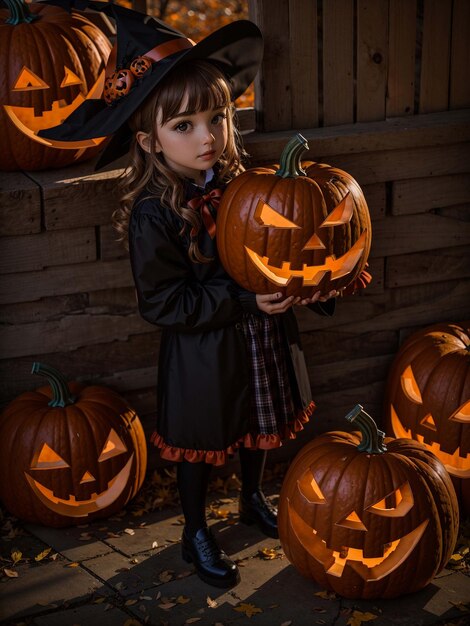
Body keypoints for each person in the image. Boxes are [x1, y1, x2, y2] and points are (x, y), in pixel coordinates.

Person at [39, 2, 337, 589]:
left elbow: (284, 243)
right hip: (204, 353)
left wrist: (312, 277)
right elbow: (163, 304)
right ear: (149, 142)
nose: (208, 137)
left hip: (262, 335)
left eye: (217, 118)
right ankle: (195, 528)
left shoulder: (244, 184)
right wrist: (246, 303)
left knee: (260, 422)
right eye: (185, 127)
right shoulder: (155, 214)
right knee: (202, 444)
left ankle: (252, 496)